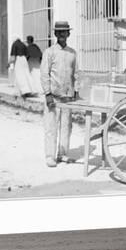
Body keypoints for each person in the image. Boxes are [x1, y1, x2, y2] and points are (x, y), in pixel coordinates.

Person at [40, 21, 79, 167]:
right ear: (55, 34)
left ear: (68, 34)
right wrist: (47, 93)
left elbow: (76, 73)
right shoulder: (49, 52)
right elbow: (44, 74)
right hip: (54, 96)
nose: (62, 34)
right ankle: (50, 156)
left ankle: (62, 154)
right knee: (51, 126)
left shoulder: (72, 53)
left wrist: (76, 91)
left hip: (68, 96)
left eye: (65, 32)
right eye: (59, 32)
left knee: (66, 126)